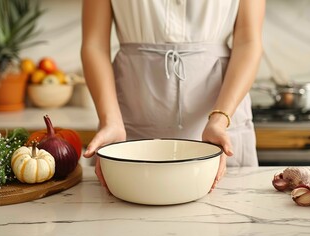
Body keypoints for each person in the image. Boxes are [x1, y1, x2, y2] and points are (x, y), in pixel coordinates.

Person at [81, 0, 265, 191]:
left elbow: (248, 42)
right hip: (127, 124)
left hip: (222, 120)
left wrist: (219, 120)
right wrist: (110, 121)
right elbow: (95, 44)